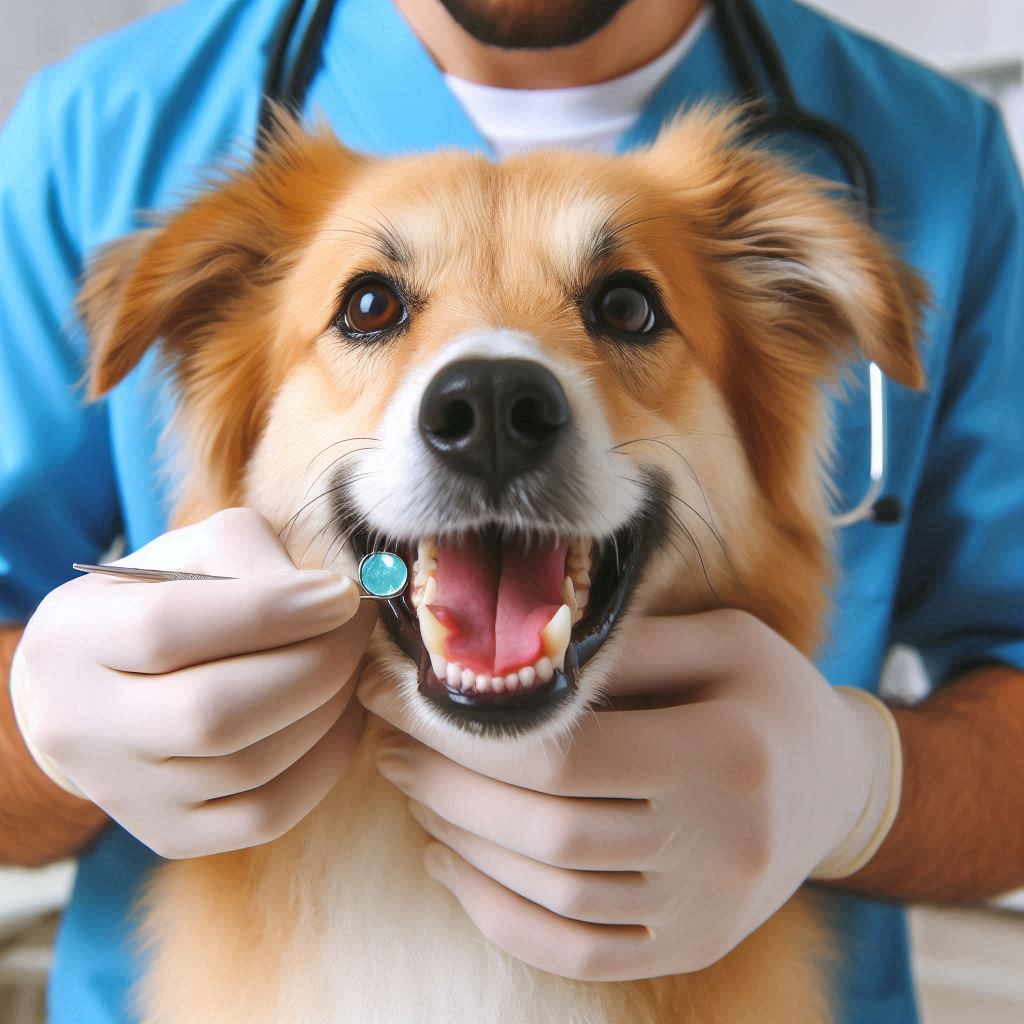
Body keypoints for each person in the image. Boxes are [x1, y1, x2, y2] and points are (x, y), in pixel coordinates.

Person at [1, 0, 1022, 1021]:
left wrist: (856, 790)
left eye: (623, 307)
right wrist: (57, 744)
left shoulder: (939, 150)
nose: (490, 391)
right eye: (372, 308)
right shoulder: (105, 125)